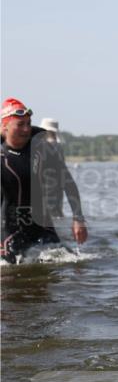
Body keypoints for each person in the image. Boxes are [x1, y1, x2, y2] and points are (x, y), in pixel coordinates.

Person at [1, 99, 87, 263]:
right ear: (4, 127)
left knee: (70, 262)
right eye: (20, 124)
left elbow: (68, 182)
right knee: (11, 273)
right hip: (9, 228)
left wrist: (78, 218)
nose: (26, 129)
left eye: (28, 123)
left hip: (42, 223)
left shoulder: (42, 148)